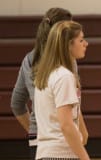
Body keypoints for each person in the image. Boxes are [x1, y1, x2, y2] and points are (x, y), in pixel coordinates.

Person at [10, 8, 87, 159]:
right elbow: (66, 119)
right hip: (60, 143)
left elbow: (16, 104)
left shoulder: (38, 65)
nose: (84, 42)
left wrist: (41, 131)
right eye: (79, 38)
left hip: (44, 143)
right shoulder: (63, 71)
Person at [34, 20, 90, 160]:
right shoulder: (64, 77)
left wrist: (82, 131)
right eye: (81, 40)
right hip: (62, 153)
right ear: (68, 45)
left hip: (45, 152)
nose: (86, 44)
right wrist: (84, 157)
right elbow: (66, 125)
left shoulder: (47, 74)